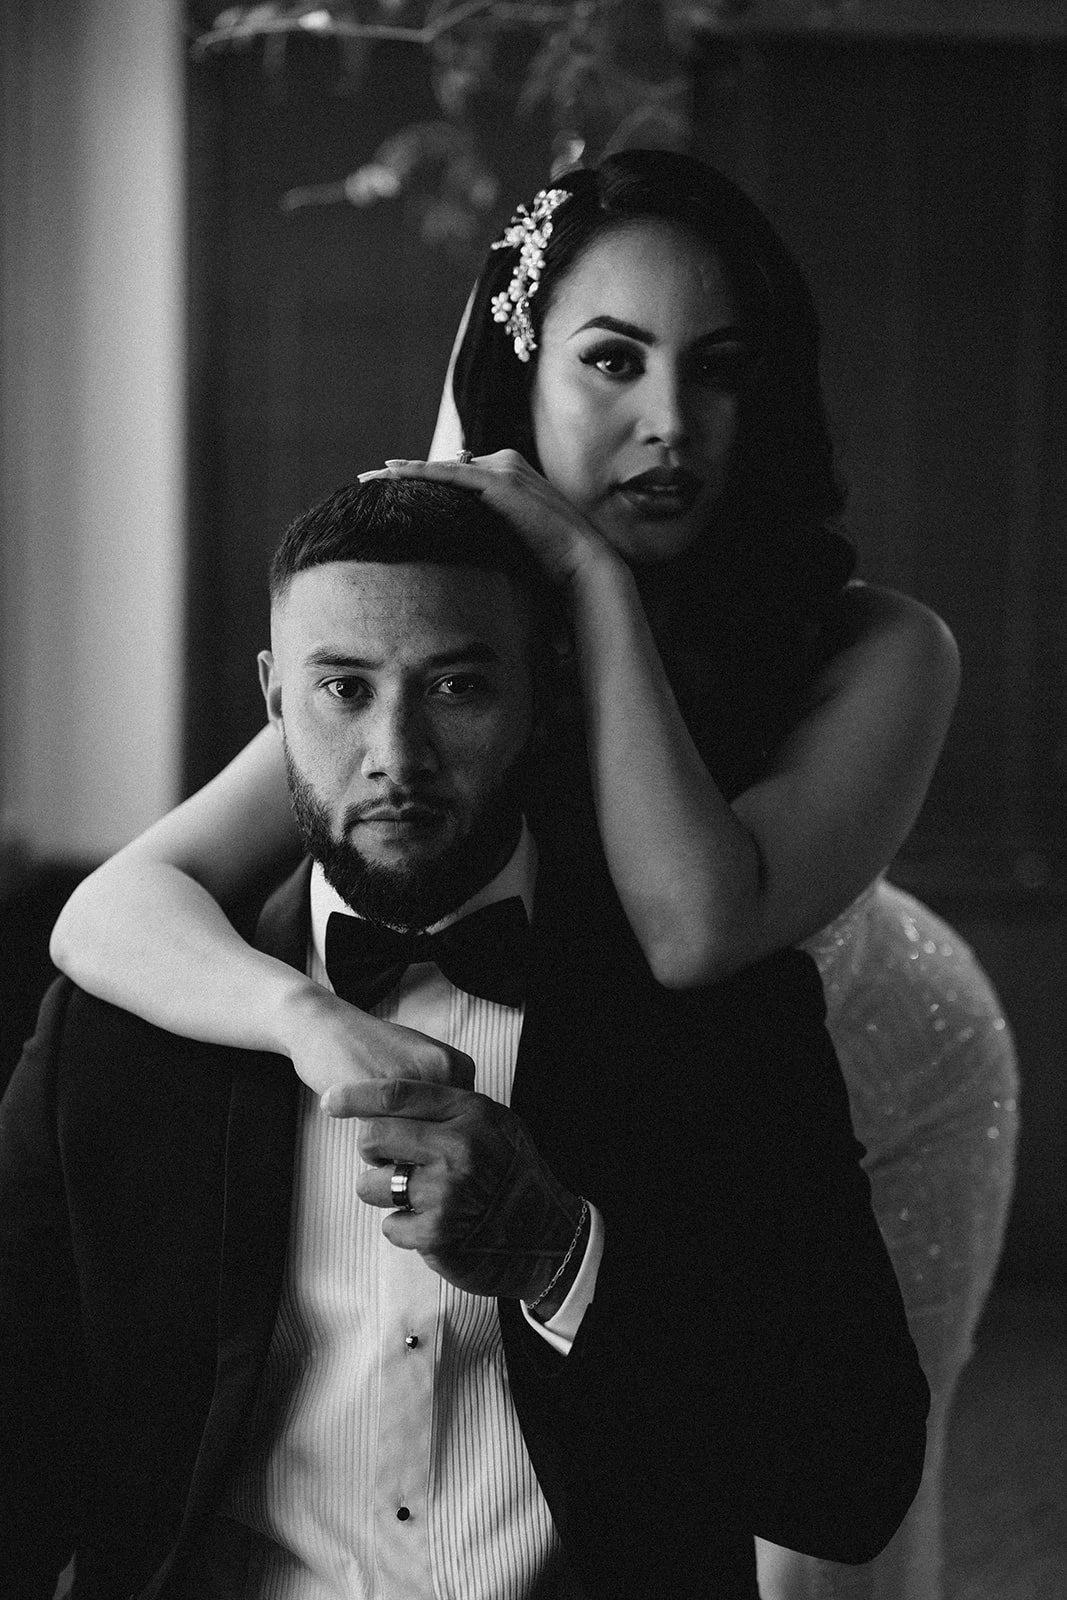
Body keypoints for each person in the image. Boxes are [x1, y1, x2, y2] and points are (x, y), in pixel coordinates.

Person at [48, 151, 1018, 1598]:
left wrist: (589, 584)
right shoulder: (437, 642)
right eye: (612, 361)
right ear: (522, 366)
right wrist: (303, 1016)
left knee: (813, 1539)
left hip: (878, 1056)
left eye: (720, 369)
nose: (668, 423)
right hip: (606, 1077)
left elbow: (697, 930)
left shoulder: (881, 646)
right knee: (598, 1453)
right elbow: (111, 906)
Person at [0, 477, 928, 1599]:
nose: (396, 751)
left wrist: (560, 1256)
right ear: (273, 699)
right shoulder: (120, 1034)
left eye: (456, 685)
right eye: (342, 686)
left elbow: (851, 1478)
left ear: (541, 693)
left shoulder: (719, 1023)